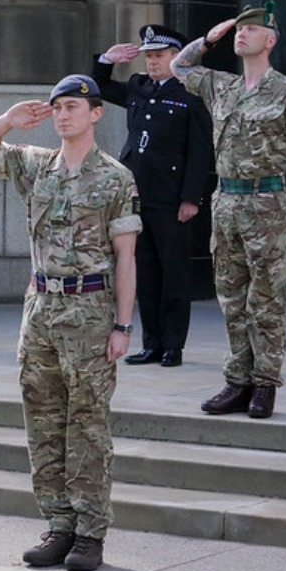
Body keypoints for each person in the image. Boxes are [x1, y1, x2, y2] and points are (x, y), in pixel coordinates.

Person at [0, 75, 141, 571]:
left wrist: (122, 326)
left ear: (96, 113)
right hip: (40, 309)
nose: (63, 115)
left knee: (86, 423)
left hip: (89, 311)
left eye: (72, 107)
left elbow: (125, 257)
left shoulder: (115, 177)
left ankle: (89, 531)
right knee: (42, 423)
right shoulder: (36, 165)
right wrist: (8, 120)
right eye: (57, 107)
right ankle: (58, 524)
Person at [171, 2, 286, 419]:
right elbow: (180, 69)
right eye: (239, 30)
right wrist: (208, 38)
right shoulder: (223, 86)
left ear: (269, 40)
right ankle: (237, 380)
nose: (242, 34)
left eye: (250, 30)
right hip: (227, 203)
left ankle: (265, 383)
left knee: (267, 299)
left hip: (268, 203)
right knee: (231, 297)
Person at [92, 25, 214, 368]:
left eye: (159, 56)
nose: (152, 62)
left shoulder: (190, 93)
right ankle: (152, 343)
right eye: (149, 56)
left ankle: (173, 345)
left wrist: (192, 198)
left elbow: (200, 150)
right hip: (137, 193)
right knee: (144, 270)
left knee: (173, 273)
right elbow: (97, 88)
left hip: (172, 197)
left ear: (176, 57)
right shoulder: (138, 88)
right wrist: (105, 60)